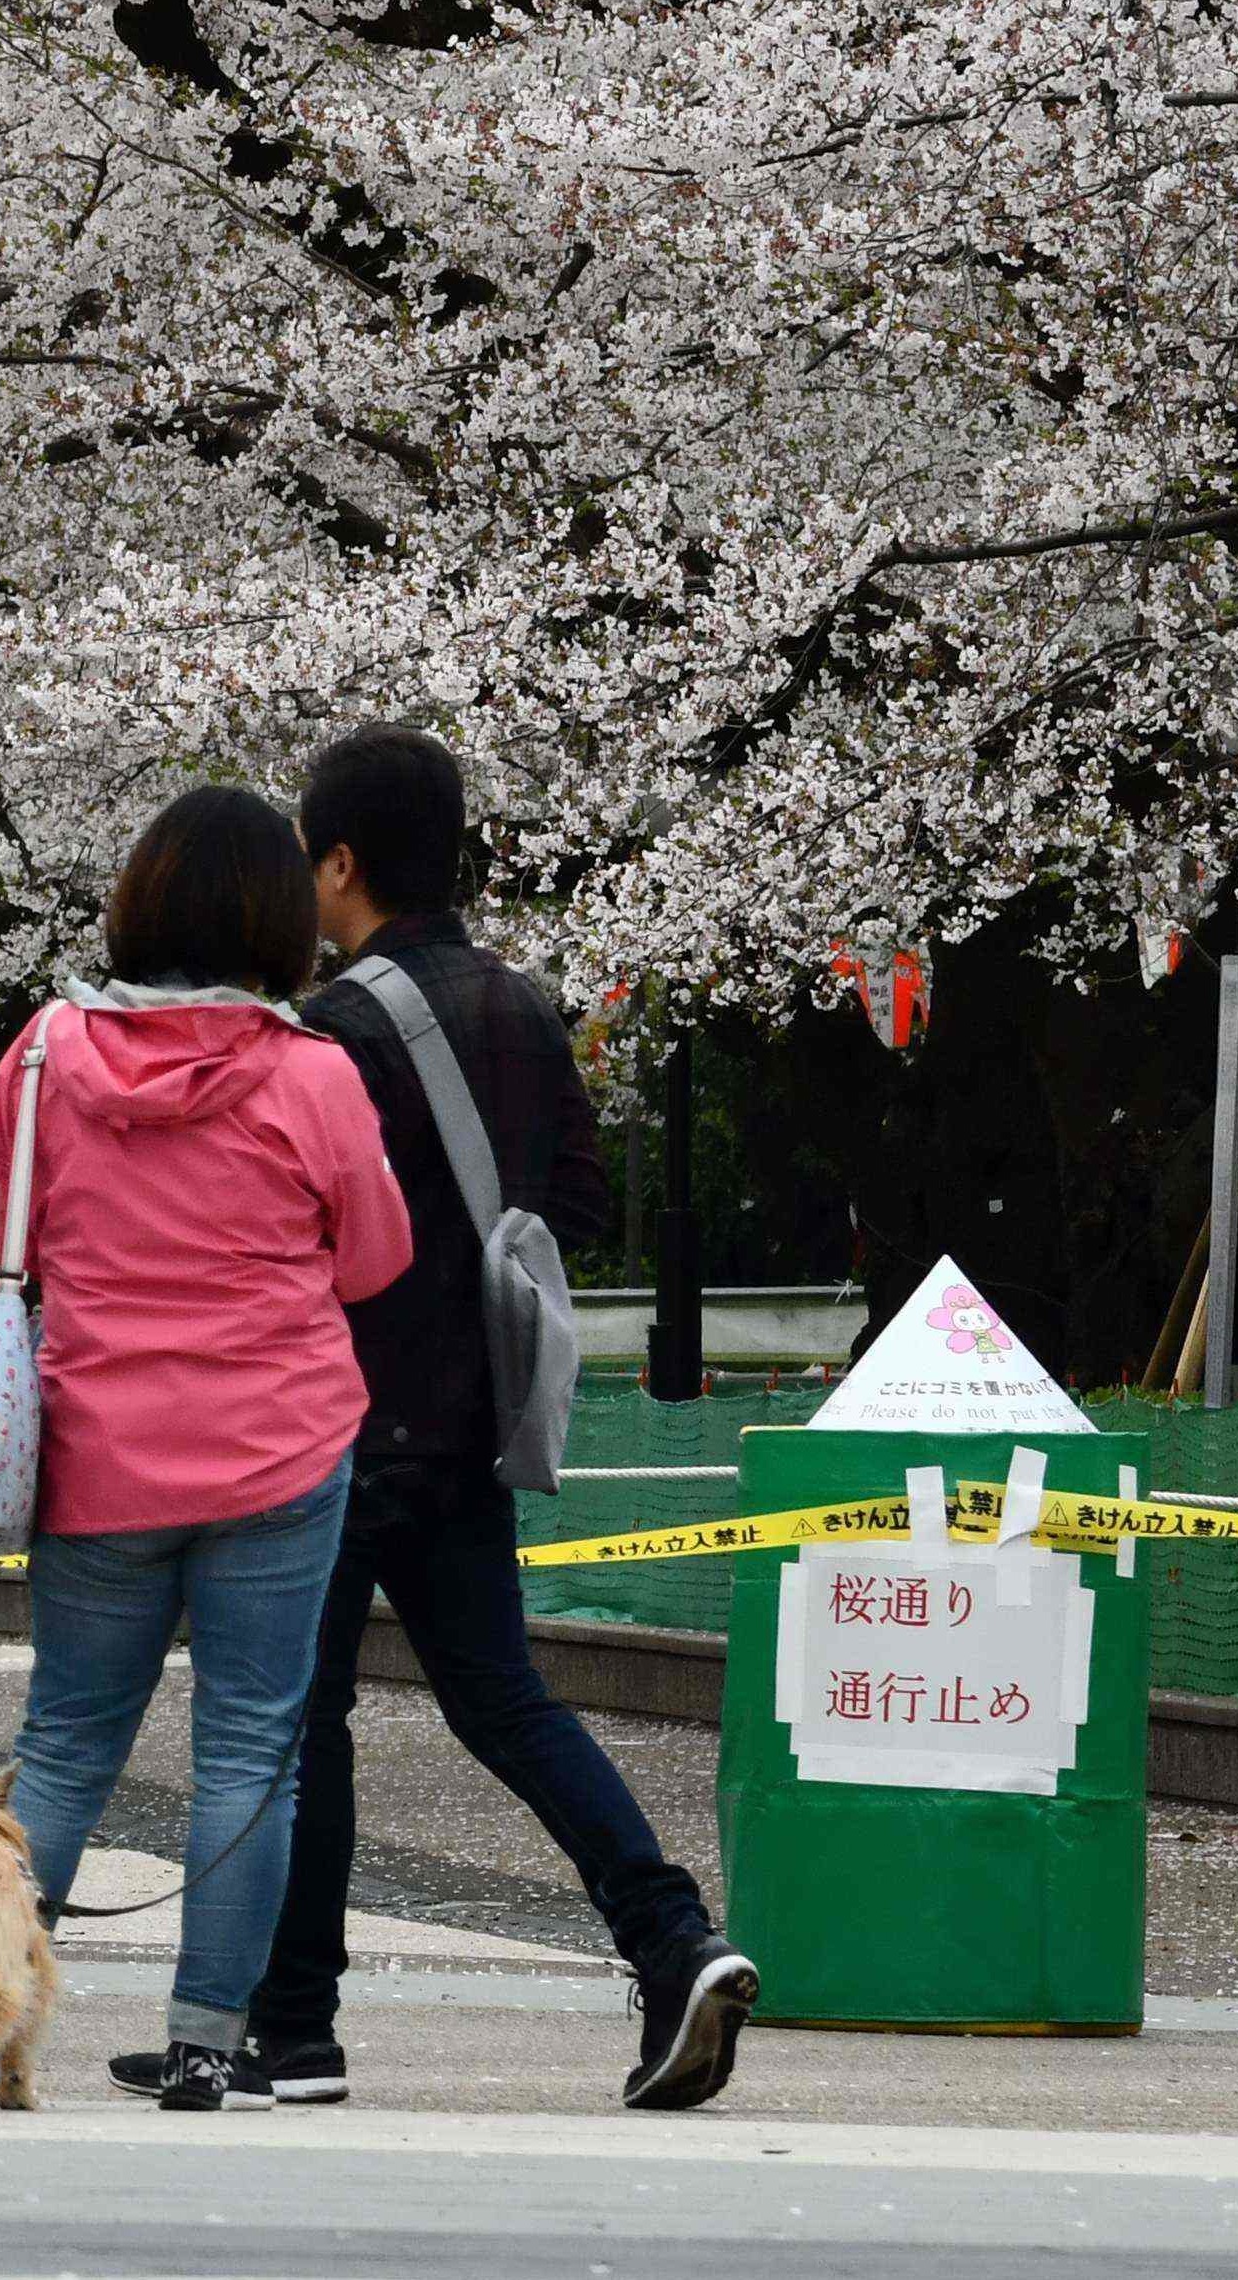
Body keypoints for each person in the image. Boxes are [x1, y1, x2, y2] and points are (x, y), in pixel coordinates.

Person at [177, 726, 755, 2112]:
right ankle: (670, 1936)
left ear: (338, 862)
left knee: (296, 1715)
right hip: (467, 1424)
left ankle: (294, 2029)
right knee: (503, 1701)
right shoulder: (522, 1003)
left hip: (336, 1421)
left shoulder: (333, 1030)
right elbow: (576, 1206)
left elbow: (293, 1230)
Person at [0, 784, 407, 2111]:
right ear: (278, 915)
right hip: (275, 1453)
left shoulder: (41, 1055)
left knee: (58, 1752)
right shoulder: (312, 1073)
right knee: (249, 1752)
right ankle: (208, 2040)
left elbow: (13, 1233)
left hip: (98, 1449)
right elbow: (375, 1258)